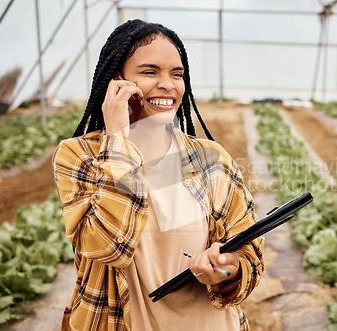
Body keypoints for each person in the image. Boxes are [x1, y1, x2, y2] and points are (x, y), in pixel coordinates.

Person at [52, 19, 264, 331]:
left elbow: (250, 259)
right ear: (116, 81)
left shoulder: (211, 159)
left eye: (177, 74)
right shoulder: (80, 156)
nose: (168, 84)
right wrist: (117, 141)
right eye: (150, 72)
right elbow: (108, 246)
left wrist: (228, 271)